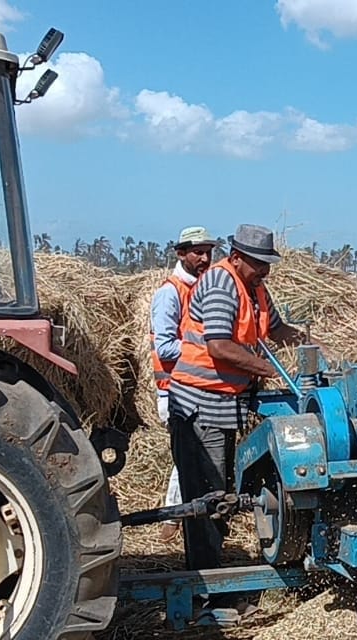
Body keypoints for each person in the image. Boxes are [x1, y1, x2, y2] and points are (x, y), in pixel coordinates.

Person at [167, 223, 306, 614]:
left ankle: (214, 580)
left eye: (268, 263)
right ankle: (209, 595)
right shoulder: (219, 284)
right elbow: (219, 346)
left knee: (220, 493)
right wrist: (268, 369)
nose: (266, 270)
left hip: (225, 406)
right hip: (199, 405)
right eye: (260, 263)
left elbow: (276, 329)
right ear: (237, 257)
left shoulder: (255, 287)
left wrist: (310, 344)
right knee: (207, 499)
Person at [149, 226, 216, 542]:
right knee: (187, 457)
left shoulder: (202, 289)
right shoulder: (170, 293)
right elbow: (164, 347)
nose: (205, 258)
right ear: (180, 253)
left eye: (208, 252)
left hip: (197, 387)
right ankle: (175, 517)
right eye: (197, 252)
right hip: (175, 390)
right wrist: (209, 347)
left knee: (192, 456)